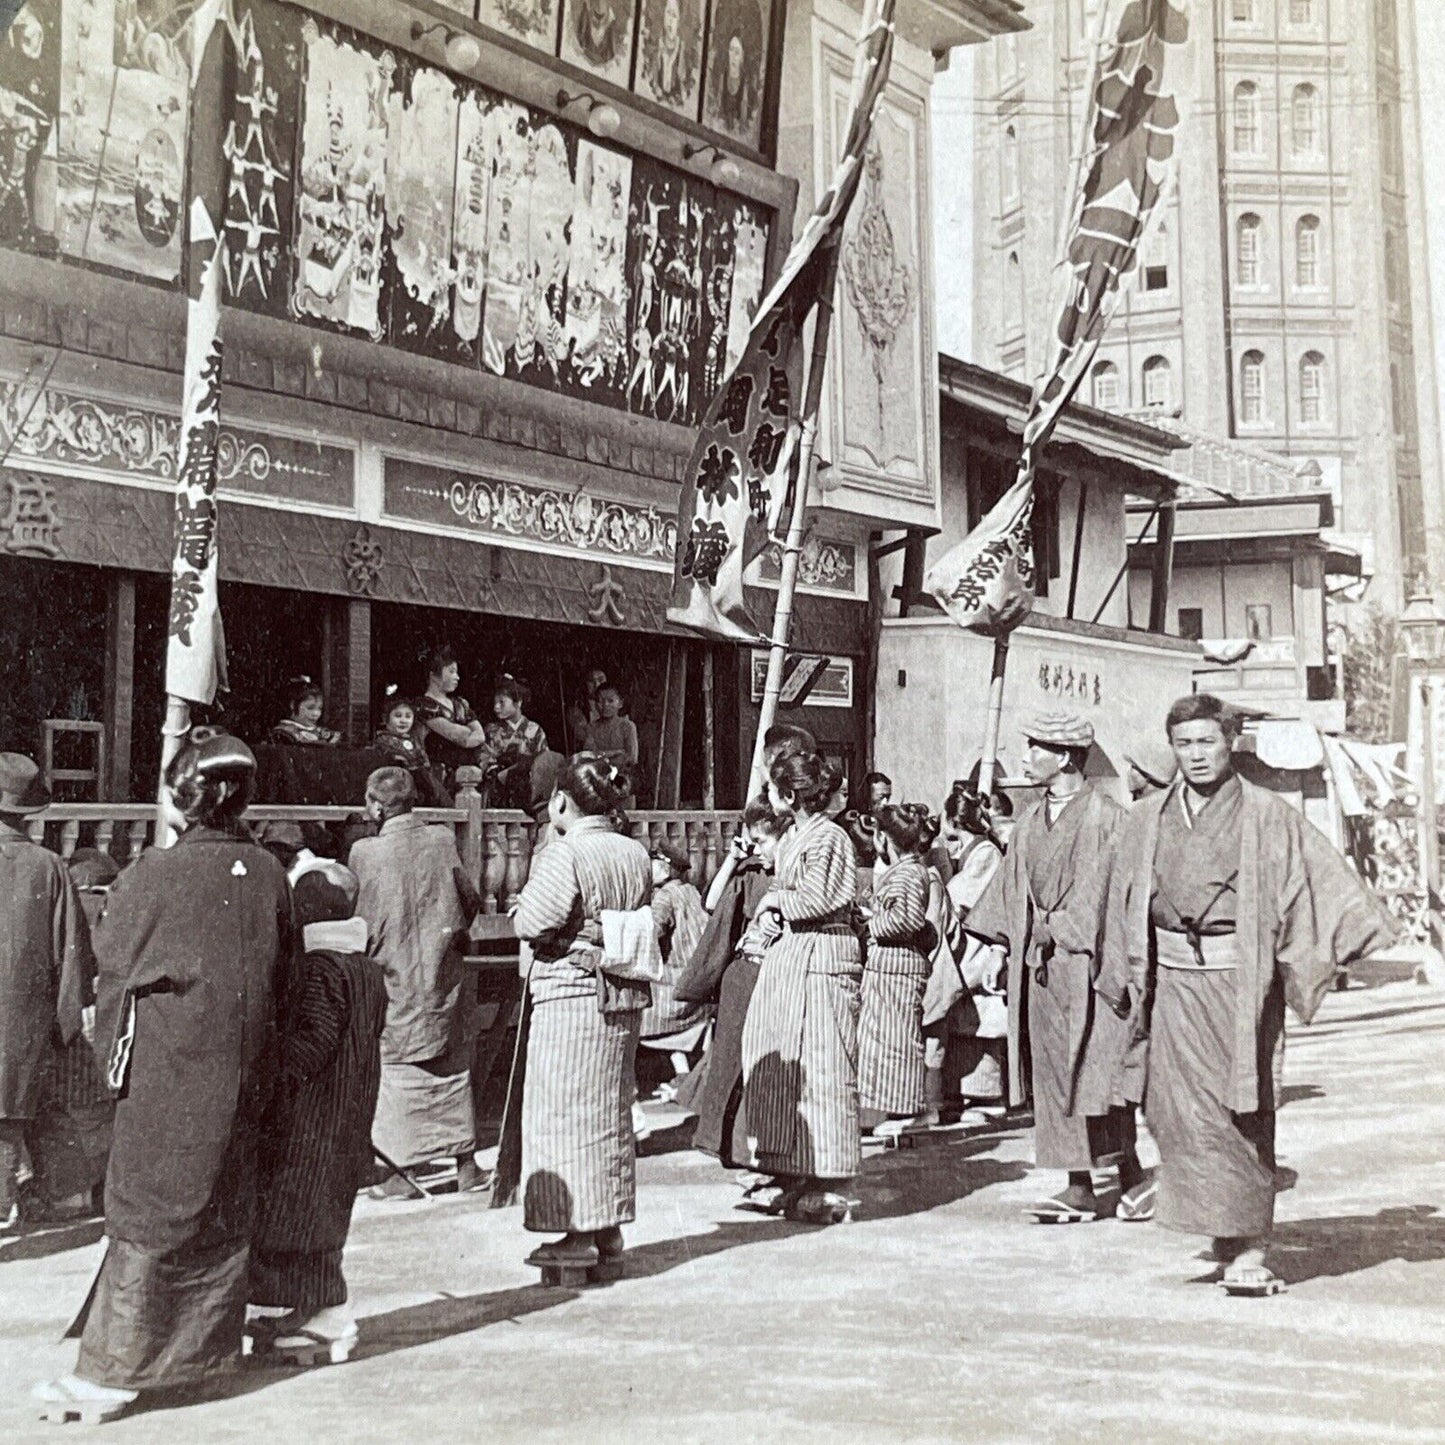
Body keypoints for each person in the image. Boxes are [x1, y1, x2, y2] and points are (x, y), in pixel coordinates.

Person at [1095, 694, 1395, 1295]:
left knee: (1244, 1108)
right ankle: (1222, 1231)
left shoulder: (1268, 815)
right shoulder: (1147, 817)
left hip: (1240, 984)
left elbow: (1316, 879)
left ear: (1230, 742)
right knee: (1175, 1114)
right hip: (1171, 985)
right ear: (1172, 749)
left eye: (1207, 742)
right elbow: (1117, 896)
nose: (1197, 755)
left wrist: (1345, 940)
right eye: (1184, 744)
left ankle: (1252, 1244)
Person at [36, 730, 293, 1425]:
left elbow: (112, 974)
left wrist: (107, 1065)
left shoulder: (153, 872)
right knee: (220, 1206)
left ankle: (114, 1369)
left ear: (185, 797)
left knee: (150, 1208)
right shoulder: (269, 870)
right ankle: (200, 1357)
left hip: (170, 1070)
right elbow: (286, 978)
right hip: (245, 1071)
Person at [967, 711, 1144, 1224]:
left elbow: (1114, 895)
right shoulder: (1026, 822)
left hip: (1093, 966)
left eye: (1035, 747)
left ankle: (1128, 1172)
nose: (1025, 757)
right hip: (1043, 969)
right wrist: (1003, 949)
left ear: (1065, 757)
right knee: (1054, 1073)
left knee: (1097, 1069)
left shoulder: (1110, 818)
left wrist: (1068, 931)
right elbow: (1010, 891)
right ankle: (1080, 1183)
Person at [512, 755, 653, 1276]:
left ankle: (575, 1234)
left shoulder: (564, 851)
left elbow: (536, 919)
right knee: (609, 1112)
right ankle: (608, 1228)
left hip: (571, 995)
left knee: (565, 1114)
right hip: (619, 991)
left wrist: (519, 908)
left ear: (560, 801)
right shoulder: (633, 852)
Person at [248, 861, 387, 1364]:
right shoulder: (365, 968)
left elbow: (316, 1039)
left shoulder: (320, 967)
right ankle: (312, 1310)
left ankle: (326, 1315)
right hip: (349, 1114)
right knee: (323, 1215)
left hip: (313, 1117)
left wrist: (271, 1074)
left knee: (299, 1217)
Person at [349, 768, 484, 1199]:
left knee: (397, 1071)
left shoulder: (364, 853)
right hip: (440, 970)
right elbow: (470, 899)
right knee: (451, 1062)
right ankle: (465, 1165)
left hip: (394, 975)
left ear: (375, 806)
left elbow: (359, 920)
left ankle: (397, 1174)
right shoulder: (442, 839)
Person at [740, 748, 861, 1225]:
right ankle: (789, 1167)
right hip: (793, 954)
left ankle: (828, 1178)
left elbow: (822, 896)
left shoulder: (829, 836)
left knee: (824, 1064)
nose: (768, 796)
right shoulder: (795, 835)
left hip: (824, 953)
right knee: (781, 1058)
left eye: (772, 788)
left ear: (790, 794)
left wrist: (773, 900)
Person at [0, 754, 90, 1233]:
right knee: (17, 1105)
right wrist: (66, 1022)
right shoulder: (50, 866)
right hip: (23, 1016)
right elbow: (72, 952)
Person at [674, 799, 787, 1170]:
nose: (758, 848)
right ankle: (719, 1142)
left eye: (763, 840)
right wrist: (734, 858)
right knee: (728, 1059)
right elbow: (711, 903)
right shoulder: (752, 871)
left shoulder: (795, 872)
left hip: (777, 976)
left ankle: (750, 1145)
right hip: (746, 972)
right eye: (753, 840)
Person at [28, 849, 120, 1223]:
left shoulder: (66, 905)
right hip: (104, 1027)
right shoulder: (113, 908)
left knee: (60, 1107)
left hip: (70, 1029)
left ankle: (69, 1196)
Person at [857, 804, 940, 1136]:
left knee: (900, 1043)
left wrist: (870, 920)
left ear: (883, 838)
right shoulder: (908, 870)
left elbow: (908, 921)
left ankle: (914, 1111)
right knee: (882, 1043)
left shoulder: (909, 873)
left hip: (898, 968)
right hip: (888, 968)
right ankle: (889, 1108)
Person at [936, 782, 1007, 1110]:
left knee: (980, 1024)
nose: (947, 846)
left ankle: (984, 1094)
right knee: (966, 1023)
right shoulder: (977, 854)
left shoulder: (986, 855)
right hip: (968, 947)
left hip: (980, 949)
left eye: (951, 836)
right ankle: (967, 1091)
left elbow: (960, 899)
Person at [638, 841, 710, 1095]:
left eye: (654, 864)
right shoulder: (691, 891)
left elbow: (652, 930)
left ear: (666, 869)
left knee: (640, 1013)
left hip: (675, 985)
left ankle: (679, 1074)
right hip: (699, 979)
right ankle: (684, 1074)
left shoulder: (665, 896)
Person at [413, 646, 488, 795]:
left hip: (469, 775)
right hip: (439, 777)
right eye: (452, 672)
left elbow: (481, 735)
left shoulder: (461, 703)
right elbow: (460, 737)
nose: (457, 677)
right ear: (434, 675)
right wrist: (467, 732)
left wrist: (466, 734)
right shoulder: (424, 705)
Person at [484, 675, 548, 810]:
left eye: (502, 703)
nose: (496, 708)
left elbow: (544, 761)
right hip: (500, 791)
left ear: (518, 703)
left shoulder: (535, 729)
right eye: (495, 703)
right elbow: (487, 763)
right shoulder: (491, 730)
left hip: (529, 790)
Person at [581, 684, 640, 777]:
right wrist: (616, 753)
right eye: (600, 701)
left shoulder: (627, 726)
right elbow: (588, 756)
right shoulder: (591, 727)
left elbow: (632, 758)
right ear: (595, 704)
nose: (605, 705)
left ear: (620, 703)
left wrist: (601, 756)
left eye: (610, 701)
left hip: (622, 778)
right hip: (598, 778)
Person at [271, 677, 341, 746]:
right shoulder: (283, 733)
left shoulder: (321, 732)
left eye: (319, 708)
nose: (316, 714)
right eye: (310, 708)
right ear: (292, 705)